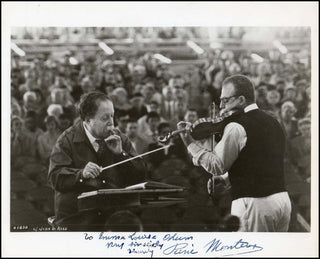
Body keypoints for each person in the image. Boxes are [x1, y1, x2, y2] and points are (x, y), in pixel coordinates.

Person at [177, 75, 291, 232]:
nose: (221, 105)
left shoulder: (236, 126)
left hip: (254, 204)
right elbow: (258, 163)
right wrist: (226, 180)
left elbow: (216, 165)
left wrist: (189, 142)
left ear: (241, 100)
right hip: (282, 202)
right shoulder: (273, 121)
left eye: (226, 100)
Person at [48, 92, 146, 230]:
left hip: (113, 212)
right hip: (78, 215)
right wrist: (81, 174)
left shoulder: (119, 138)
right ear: (88, 120)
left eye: (112, 116)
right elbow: (54, 178)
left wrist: (121, 155)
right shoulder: (67, 140)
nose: (112, 123)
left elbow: (140, 174)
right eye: (105, 118)